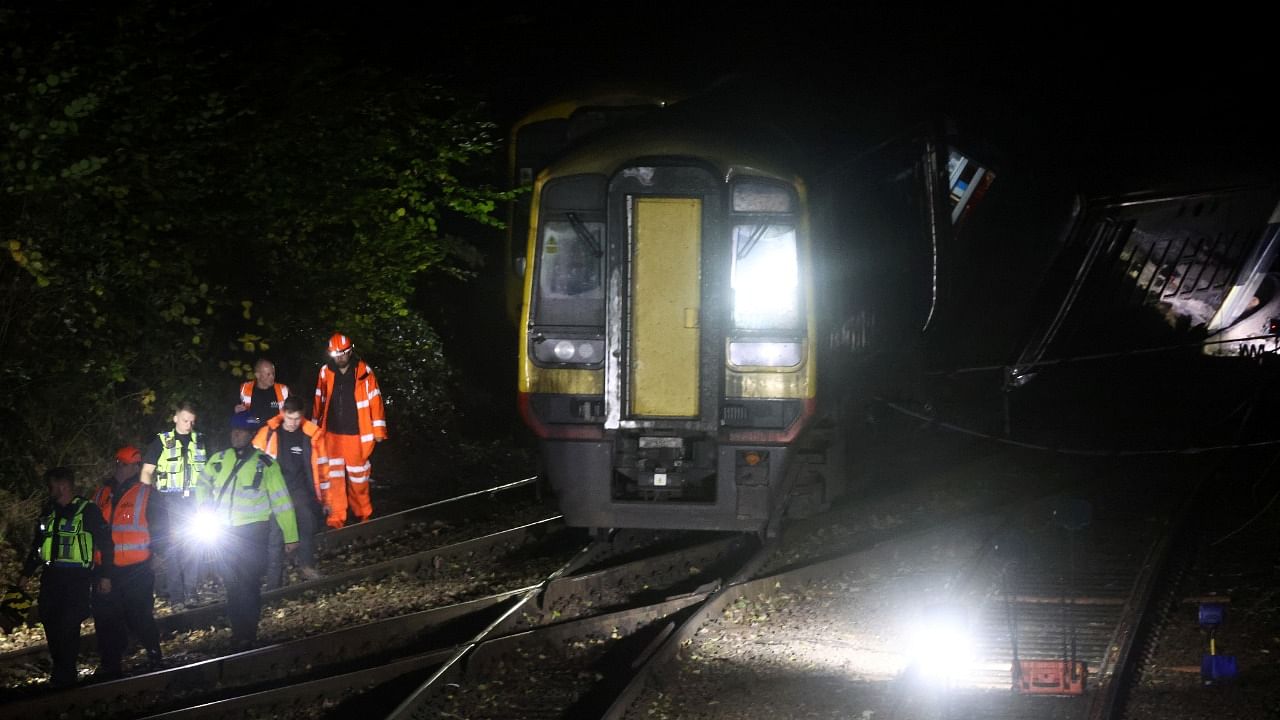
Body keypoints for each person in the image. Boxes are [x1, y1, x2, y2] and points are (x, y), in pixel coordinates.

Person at [196, 411, 298, 649]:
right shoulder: (218, 460)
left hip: (253, 534)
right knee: (232, 585)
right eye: (233, 430)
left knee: (249, 583)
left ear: (251, 434)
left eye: (241, 431)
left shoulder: (266, 465)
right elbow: (202, 484)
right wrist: (204, 507)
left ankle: (248, 634)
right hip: (225, 533)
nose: (236, 434)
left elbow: (282, 502)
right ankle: (238, 633)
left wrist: (291, 535)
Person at [20, 467, 114, 688]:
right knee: (50, 621)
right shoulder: (49, 511)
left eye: (51, 486)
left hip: (77, 579)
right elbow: (38, 546)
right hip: (51, 577)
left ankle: (65, 673)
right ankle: (62, 670)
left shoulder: (87, 510)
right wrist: (26, 574)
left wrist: (105, 576)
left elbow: (106, 544)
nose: (49, 490)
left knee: (68, 625)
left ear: (62, 485)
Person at [91, 446, 164, 677]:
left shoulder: (147, 493)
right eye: (118, 463)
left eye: (124, 464)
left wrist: (159, 555)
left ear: (135, 466)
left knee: (140, 615)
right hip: (106, 568)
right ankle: (110, 664)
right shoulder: (101, 493)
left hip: (137, 568)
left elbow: (162, 528)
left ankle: (154, 655)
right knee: (106, 619)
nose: (120, 468)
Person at [312, 332, 386, 528]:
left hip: (356, 434)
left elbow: (375, 400)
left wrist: (378, 431)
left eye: (343, 353)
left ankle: (364, 514)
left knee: (358, 477)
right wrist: (315, 429)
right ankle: (336, 518)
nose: (340, 358)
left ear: (350, 351)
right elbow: (319, 400)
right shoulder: (325, 372)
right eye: (336, 354)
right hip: (332, 435)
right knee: (333, 477)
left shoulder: (364, 371)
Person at [140, 401, 208, 607]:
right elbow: (146, 471)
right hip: (169, 502)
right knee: (173, 550)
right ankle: (177, 597)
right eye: (185, 420)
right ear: (175, 418)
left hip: (194, 502)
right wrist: (147, 498)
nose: (188, 425)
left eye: (192, 421)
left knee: (194, 547)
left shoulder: (200, 441)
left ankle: (192, 593)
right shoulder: (162, 441)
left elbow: (207, 472)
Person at [252, 396, 325, 588]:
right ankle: (274, 580)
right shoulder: (268, 434)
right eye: (290, 418)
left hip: (299, 489)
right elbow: (254, 462)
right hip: (276, 491)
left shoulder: (309, 436)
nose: (293, 423)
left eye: (297, 419)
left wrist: (326, 499)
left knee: (306, 522)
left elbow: (320, 468)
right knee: (276, 534)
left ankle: (306, 566)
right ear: (283, 414)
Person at [235, 358, 290, 425]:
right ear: (257, 375)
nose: (272, 377)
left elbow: (294, 411)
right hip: (252, 430)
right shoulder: (244, 389)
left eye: (273, 373)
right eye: (268, 374)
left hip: (275, 430)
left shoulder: (283, 390)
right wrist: (257, 421)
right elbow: (239, 415)